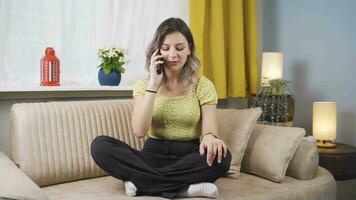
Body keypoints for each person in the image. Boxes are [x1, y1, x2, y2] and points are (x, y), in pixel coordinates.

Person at [90, 17, 231, 199]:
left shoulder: (203, 85)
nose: (173, 55)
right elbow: (139, 131)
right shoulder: (144, 85)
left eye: (179, 48)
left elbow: (210, 131)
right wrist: (153, 85)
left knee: (224, 157)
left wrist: (211, 139)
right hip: (151, 155)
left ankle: (141, 182)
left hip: (188, 156)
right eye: (166, 48)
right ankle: (185, 189)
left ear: (189, 48)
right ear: (157, 51)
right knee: (100, 146)